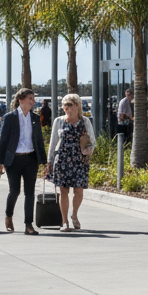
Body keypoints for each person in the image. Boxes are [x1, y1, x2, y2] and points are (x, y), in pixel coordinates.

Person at [0, 88, 47, 235]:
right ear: (21, 100)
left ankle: (28, 225)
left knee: (30, 192)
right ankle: (9, 215)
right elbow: (2, 142)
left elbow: (39, 141)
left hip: (31, 159)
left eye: (33, 98)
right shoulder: (9, 117)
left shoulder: (35, 118)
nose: (33, 101)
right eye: (30, 98)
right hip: (14, 160)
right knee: (15, 191)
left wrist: (44, 162)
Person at [47, 93, 95, 232]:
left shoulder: (85, 121)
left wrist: (88, 152)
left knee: (78, 190)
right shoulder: (59, 121)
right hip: (62, 159)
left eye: (70, 104)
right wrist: (49, 161)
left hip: (79, 159)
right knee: (63, 190)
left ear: (77, 106)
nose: (66, 107)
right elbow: (53, 142)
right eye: (65, 105)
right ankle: (64, 221)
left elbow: (92, 140)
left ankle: (74, 215)